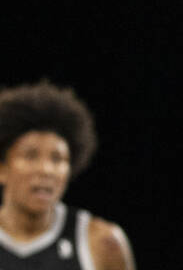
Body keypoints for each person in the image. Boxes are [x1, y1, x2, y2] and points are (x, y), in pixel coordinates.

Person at [0, 80, 135, 270]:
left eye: (57, 159)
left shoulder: (102, 242)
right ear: (2, 169)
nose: (46, 170)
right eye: (30, 156)